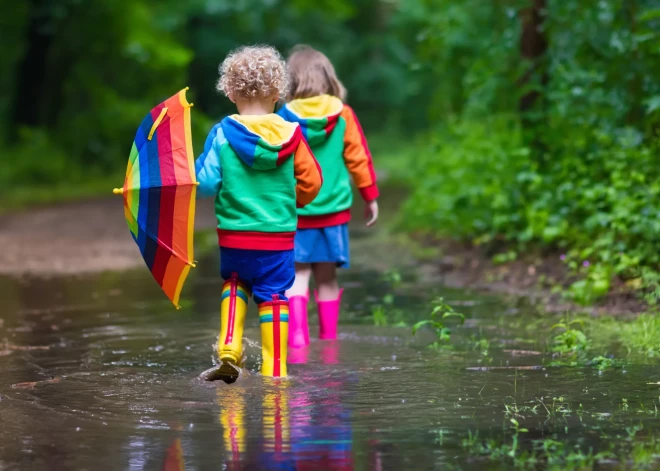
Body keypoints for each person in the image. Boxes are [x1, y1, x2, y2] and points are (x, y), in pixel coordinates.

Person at [195, 45, 323, 381]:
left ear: (231, 91)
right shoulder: (293, 135)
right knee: (274, 296)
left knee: (235, 283)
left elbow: (206, 184)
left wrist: (198, 170)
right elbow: (312, 183)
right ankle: (275, 369)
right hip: (277, 237)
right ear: (278, 93)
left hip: (235, 236)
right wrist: (292, 202)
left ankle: (228, 349)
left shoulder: (222, 134)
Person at [278, 45, 379, 350]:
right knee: (327, 278)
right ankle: (329, 342)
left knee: (298, 275)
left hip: (296, 210)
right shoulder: (344, 115)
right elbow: (358, 157)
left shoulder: (283, 117)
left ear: (291, 82)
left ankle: (296, 338)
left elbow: (276, 161)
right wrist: (369, 195)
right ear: (328, 78)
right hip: (333, 211)